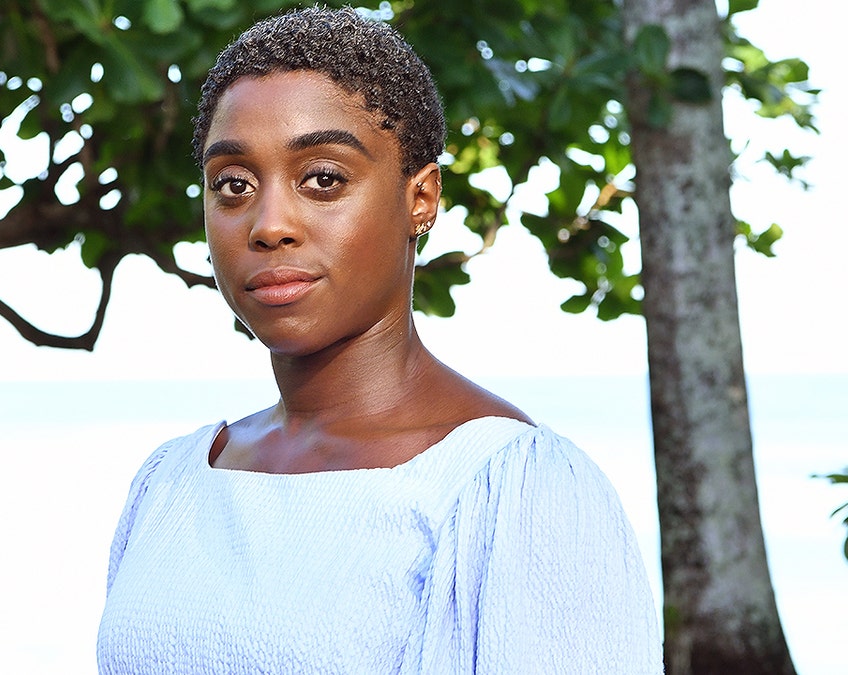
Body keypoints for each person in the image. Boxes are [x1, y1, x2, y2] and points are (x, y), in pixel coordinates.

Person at [97, 7, 662, 673]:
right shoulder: (173, 484)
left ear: (420, 198)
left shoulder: (511, 492)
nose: (269, 224)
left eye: (323, 179)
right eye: (234, 185)